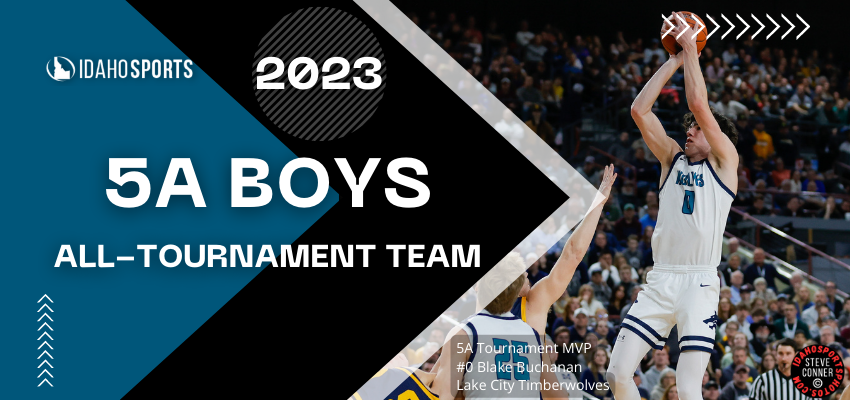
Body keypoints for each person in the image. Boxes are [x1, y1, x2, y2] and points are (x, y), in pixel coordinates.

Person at [610, 15, 740, 400]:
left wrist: (691, 48)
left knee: (687, 388)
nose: (689, 130)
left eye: (697, 128)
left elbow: (698, 103)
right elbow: (639, 110)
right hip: (661, 277)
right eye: (689, 127)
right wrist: (674, 60)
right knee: (617, 373)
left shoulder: (725, 163)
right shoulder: (672, 158)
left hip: (699, 282)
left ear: (716, 137)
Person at [433, 253, 542, 399]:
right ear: (517, 291)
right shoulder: (533, 335)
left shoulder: (464, 332)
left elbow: (442, 395)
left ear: (478, 286)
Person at [750, 339, 817, 400]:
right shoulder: (762, 380)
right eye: (780, 354)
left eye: (788, 354)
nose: (784, 358)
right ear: (776, 355)